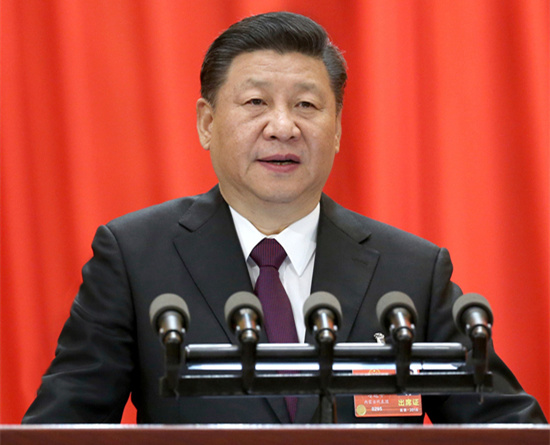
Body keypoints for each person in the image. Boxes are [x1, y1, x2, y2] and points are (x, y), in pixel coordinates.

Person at [23, 11, 546, 424]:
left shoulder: (410, 271)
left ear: (337, 129)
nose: (282, 126)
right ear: (207, 123)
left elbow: (504, 423)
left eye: (307, 106)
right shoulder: (136, 257)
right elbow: (64, 424)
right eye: (255, 102)